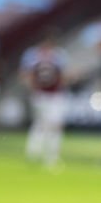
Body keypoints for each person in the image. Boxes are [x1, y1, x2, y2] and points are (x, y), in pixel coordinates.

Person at [21, 31, 69, 167]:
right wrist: (33, 89)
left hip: (55, 94)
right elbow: (26, 74)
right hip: (41, 94)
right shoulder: (32, 55)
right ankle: (37, 154)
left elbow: (62, 75)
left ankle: (49, 155)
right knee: (43, 124)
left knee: (52, 124)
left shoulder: (59, 55)